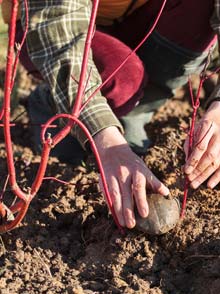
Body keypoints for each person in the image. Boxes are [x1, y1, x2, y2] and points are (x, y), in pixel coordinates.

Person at [2, 0, 220, 229]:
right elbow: (57, 35)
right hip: (47, 26)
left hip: (136, 14)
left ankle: (134, 112)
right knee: (123, 81)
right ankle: (52, 107)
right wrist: (106, 142)